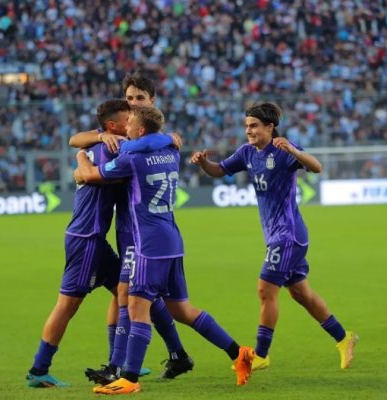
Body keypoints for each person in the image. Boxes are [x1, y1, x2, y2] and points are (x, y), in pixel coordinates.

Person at [75, 105, 254, 394]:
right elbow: (164, 139)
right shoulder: (170, 150)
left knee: (136, 306)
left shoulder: (131, 158)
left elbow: (89, 176)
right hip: (172, 240)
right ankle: (239, 352)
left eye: (131, 122)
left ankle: (129, 379)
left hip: (148, 244)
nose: (127, 126)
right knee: (182, 309)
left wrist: (81, 156)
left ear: (141, 129)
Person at [189, 102, 358, 373]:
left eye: (254, 126)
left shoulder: (282, 151)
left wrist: (293, 149)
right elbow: (219, 170)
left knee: (265, 289)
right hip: (277, 236)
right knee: (300, 292)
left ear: (270, 127)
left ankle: (262, 354)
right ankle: (344, 337)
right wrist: (203, 163)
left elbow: (316, 167)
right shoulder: (247, 152)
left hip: (288, 235)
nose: (249, 131)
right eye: (247, 126)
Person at [70, 73, 195, 383]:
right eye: (129, 98)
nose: (133, 102)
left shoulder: (152, 137)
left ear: (151, 102)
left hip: (144, 230)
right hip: (126, 226)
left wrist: (83, 168)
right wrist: (97, 140)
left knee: (131, 295)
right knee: (131, 297)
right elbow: (75, 139)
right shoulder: (117, 131)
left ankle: (120, 369)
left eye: (140, 98)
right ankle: (175, 355)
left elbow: (168, 141)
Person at [25, 99, 133, 388]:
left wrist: (82, 158)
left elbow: (77, 143)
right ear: (112, 126)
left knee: (124, 291)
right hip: (87, 239)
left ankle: (118, 362)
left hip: (93, 238)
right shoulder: (114, 148)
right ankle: (38, 370)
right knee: (67, 306)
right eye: (128, 117)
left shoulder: (96, 146)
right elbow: (82, 154)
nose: (132, 120)